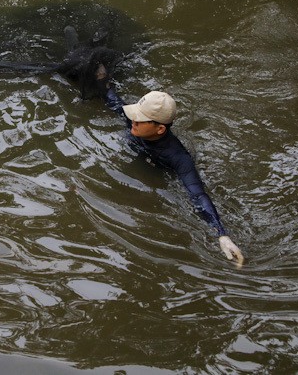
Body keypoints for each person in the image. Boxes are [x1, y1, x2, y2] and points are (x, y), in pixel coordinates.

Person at [96, 68, 244, 266]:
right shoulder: (135, 123)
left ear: (160, 128)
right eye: (135, 114)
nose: (134, 119)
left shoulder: (179, 159)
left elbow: (198, 196)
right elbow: (114, 101)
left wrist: (222, 235)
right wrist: (101, 80)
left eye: (140, 118)